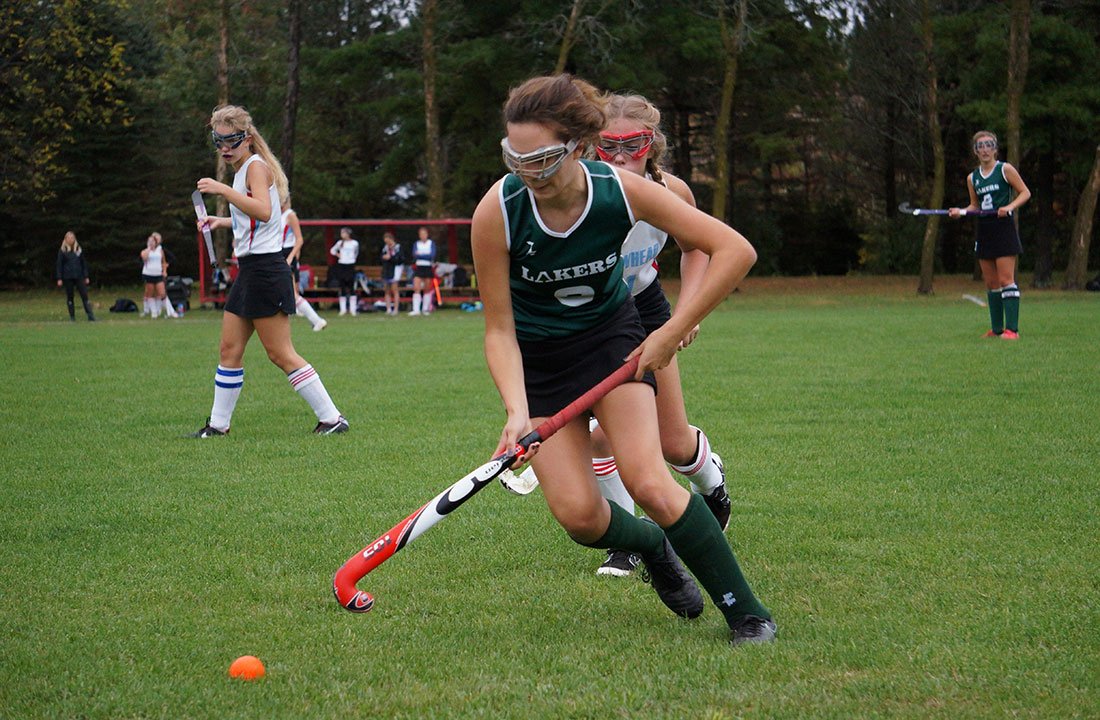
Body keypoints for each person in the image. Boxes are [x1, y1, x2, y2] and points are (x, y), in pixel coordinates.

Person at [471, 74, 774, 645]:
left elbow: (735, 249)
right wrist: (516, 413)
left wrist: (671, 331)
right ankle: (651, 547)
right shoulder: (498, 211)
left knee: (652, 482)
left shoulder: (621, 190)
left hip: (611, 341)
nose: (526, 172)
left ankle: (747, 613)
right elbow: (499, 329)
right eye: (514, 157)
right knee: (581, 518)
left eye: (541, 158)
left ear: (580, 148)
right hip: (540, 365)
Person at [502, 94, 733, 579]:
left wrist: (686, 315)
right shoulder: (579, 191)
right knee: (601, 438)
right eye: (610, 145)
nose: (623, 155)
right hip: (585, 324)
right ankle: (628, 541)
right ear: (589, 146)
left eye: (636, 143)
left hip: (643, 310)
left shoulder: (671, 192)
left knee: (670, 442)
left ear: (654, 145)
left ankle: (712, 485)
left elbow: (700, 248)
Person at [190, 104, 348, 437]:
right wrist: (221, 220)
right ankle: (218, 427)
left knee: (280, 353)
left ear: (246, 138)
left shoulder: (255, 167)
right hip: (250, 270)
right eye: (218, 143)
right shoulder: (244, 168)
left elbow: (263, 211)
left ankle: (333, 419)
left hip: (265, 269)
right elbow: (256, 217)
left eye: (230, 142)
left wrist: (222, 191)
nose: (224, 150)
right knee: (229, 350)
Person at [949, 130, 1031, 339]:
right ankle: (996, 329)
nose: (985, 150)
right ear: (975, 151)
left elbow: (1025, 192)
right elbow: (975, 205)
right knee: (991, 283)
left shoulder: (1005, 169)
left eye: (988, 145)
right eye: (980, 146)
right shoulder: (972, 178)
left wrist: (1009, 207)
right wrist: (962, 212)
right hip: (984, 230)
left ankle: (1012, 330)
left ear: (995, 148)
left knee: (1006, 279)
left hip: (1003, 228)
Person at [281, 199, 327, 331]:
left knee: (292, 293)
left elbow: (299, 239)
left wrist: (290, 258)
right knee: (287, 292)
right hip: (279, 254)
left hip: (286, 254)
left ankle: (317, 320)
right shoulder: (277, 214)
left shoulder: (290, 215)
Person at [55, 231, 95, 322]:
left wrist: (86, 276)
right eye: (69, 238)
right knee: (70, 296)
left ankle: (90, 316)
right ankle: (72, 317)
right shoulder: (62, 251)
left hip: (79, 276)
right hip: (67, 277)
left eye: (72, 238)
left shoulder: (78, 250)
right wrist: (59, 278)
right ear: (65, 239)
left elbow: (83, 263)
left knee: (84, 295)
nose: (71, 240)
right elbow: (59, 265)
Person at [330, 227, 360, 316]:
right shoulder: (340, 243)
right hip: (342, 265)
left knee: (351, 287)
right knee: (342, 286)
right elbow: (332, 250)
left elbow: (356, 253)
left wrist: (351, 258)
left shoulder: (354, 243)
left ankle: (353, 309)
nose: (342, 235)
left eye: (344, 233)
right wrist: (338, 255)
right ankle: (343, 309)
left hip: (350, 265)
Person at [140, 232, 170, 318]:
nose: (151, 242)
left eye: (153, 241)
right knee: (150, 293)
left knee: (162, 293)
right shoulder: (145, 251)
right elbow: (144, 258)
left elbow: (163, 262)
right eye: (149, 241)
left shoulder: (160, 251)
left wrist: (164, 271)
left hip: (158, 274)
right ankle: (153, 312)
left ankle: (166, 311)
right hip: (148, 274)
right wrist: (149, 249)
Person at [408, 226, 436, 316]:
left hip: (428, 267)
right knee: (416, 287)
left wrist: (421, 255)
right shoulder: (416, 244)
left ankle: (425, 309)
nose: (423, 236)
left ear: (427, 234)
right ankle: (416, 310)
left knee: (427, 289)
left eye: (424, 234)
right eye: (421, 234)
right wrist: (424, 255)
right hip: (419, 267)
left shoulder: (431, 243)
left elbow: (432, 255)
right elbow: (414, 255)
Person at [381, 230, 405, 315]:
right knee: (387, 290)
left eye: (388, 241)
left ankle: (396, 308)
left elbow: (400, 259)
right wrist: (384, 257)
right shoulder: (385, 248)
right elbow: (382, 257)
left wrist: (390, 258)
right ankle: (388, 309)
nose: (387, 243)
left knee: (394, 289)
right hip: (387, 269)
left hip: (395, 269)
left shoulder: (398, 247)